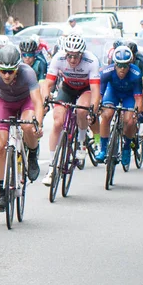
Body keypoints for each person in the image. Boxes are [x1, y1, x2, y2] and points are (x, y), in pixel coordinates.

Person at [0, 45, 44, 211]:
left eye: (11, 71)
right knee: (0, 145)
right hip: (5, 104)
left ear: (17, 68)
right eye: (3, 71)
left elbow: (37, 101)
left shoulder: (28, 72)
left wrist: (39, 123)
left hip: (25, 102)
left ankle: (32, 154)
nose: (6, 75)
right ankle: (2, 192)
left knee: (28, 125)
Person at [40, 33, 101, 185]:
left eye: (76, 56)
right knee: (57, 122)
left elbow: (95, 90)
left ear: (82, 54)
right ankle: (52, 167)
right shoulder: (58, 58)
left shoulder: (91, 60)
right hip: (67, 88)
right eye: (70, 56)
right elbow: (47, 84)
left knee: (82, 110)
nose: (73, 60)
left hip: (85, 89)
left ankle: (81, 142)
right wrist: (45, 99)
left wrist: (93, 110)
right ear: (65, 53)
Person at [96, 46, 143, 167]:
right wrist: (97, 108)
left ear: (130, 64)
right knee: (106, 115)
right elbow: (99, 95)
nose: (122, 69)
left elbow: (138, 98)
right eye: (119, 65)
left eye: (125, 66)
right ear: (114, 64)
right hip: (113, 93)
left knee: (130, 121)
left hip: (129, 95)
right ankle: (103, 149)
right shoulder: (107, 72)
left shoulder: (136, 73)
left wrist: (136, 113)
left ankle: (127, 147)